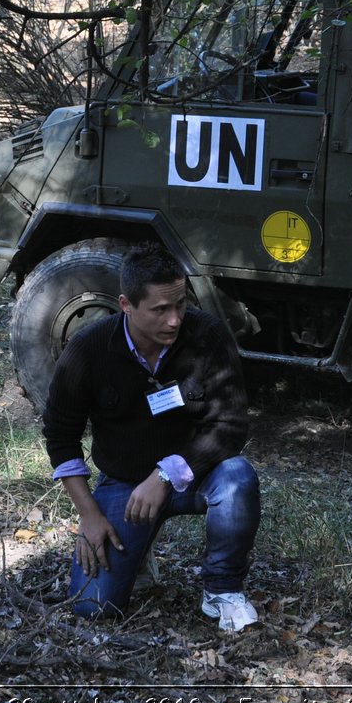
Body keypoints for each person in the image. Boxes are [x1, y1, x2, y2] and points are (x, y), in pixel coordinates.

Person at [42, 243, 262, 630]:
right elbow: (60, 437)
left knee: (238, 477)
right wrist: (90, 516)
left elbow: (231, 424)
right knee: (93, 609)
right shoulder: (88, 350)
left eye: (179, 305)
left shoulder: (208, 335)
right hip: (125, 487)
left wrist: (165, 475)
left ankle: (222, 590)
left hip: (193, 476)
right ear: (126, 305)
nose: (175, 320)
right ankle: (137, 552)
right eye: (160, 309)